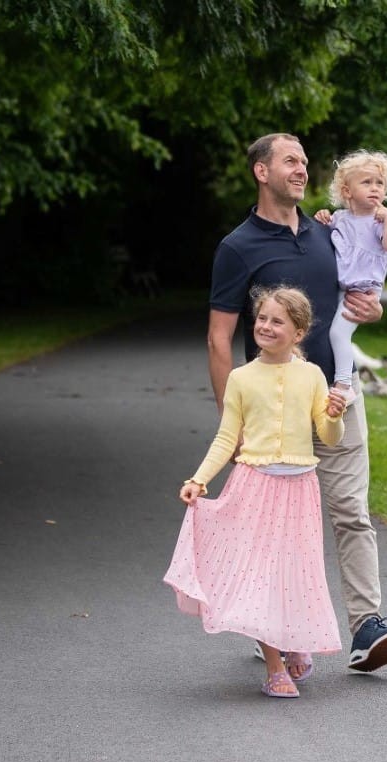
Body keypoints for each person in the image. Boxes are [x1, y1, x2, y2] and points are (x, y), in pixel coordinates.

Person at [208, 132, 387, 675]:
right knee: (277, 523)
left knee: (351, 511)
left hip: (337, 395)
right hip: (274, 407)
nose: (301, 169)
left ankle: (367, 625)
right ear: (261, 172)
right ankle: (271, 623)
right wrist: (233, 417)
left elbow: (359, 292)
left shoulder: (327, 233)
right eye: (290, 161)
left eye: (304, 161)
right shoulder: (238, 246)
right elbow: (219, 338)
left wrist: (373, 313)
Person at [165, 286, 347, 698]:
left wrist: (336, 414)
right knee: (262, 573)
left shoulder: (313, 375)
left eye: (277, 321)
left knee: (296, 568)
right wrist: (199, 478)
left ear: (298, 332)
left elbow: (329, 437)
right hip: (254, 486)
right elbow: (227, 437)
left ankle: (296, 639)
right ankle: (274, 664)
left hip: (300, 487)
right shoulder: (242, 378)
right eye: (262, 318)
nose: (265, 326)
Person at [317, 150, 387, 413]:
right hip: (343, 287)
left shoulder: (382, 220)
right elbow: (326, 236)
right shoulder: (340, 218)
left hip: (363, 291)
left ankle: (344, 385)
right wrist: (322, 218)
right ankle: (334, 379)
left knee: (338, 333)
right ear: (347, 191)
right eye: (366, 182)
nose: (375, 188)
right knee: (331, 331)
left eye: (380, 183)